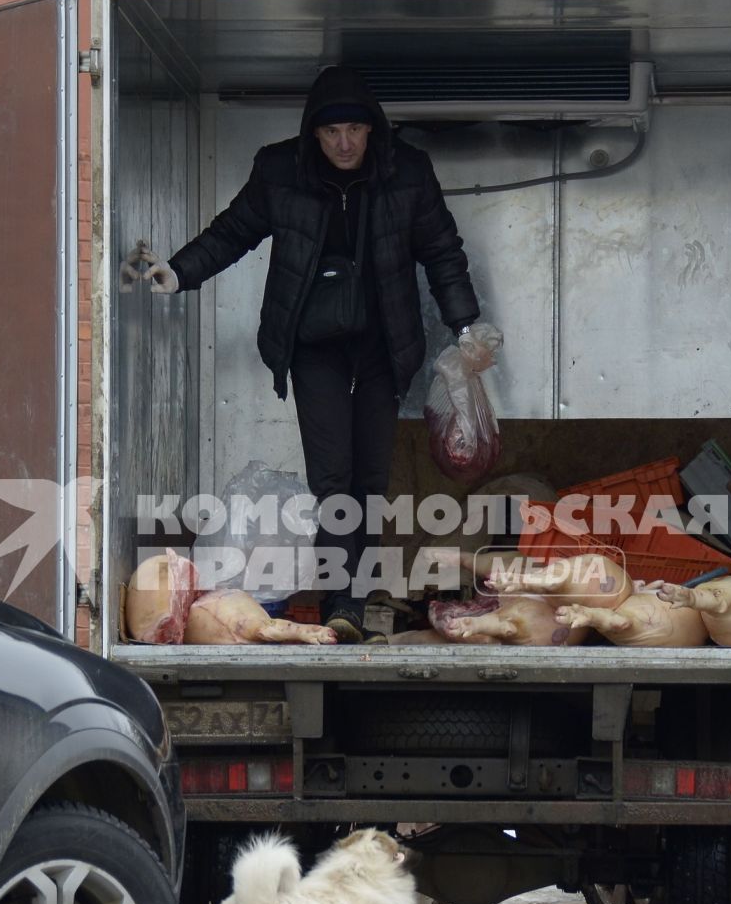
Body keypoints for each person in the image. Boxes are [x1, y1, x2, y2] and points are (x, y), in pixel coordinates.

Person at [147, 65, 483, 643]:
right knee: (332, 476)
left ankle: (351, 595)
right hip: (312, 344)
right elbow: (233, 231)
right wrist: (179, 273)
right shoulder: (281, 171)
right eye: (331, 134)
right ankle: (342, 605)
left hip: (384, 342)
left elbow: (442, 251)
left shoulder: (407, 173)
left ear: (373, 129)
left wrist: (467, 325)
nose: (344, 144)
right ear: (313, 135)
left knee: (369, 479)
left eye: (355, 130)